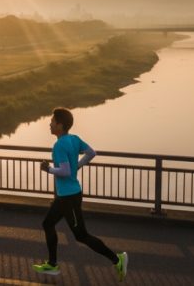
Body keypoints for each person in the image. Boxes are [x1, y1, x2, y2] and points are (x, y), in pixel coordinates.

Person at [32, 107, 128, 282]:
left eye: (52, 121)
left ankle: (117, 259)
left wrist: (48, 169)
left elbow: (65, 171)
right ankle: (52, 264)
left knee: (81, 235)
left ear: (60, 125)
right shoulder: (74, 139)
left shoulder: (59, 145)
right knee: (47, 224)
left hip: (69, 198)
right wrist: (79, 164)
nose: (49, 124)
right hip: (66, 196)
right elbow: (91, 153)